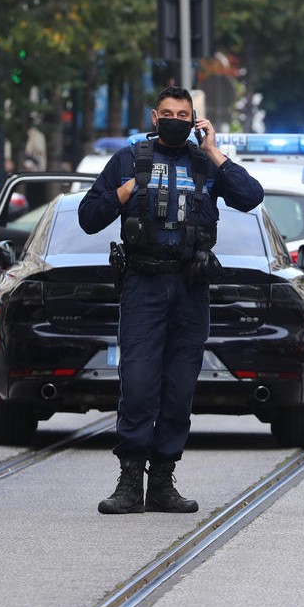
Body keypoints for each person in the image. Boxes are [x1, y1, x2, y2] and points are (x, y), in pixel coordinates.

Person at [78, 86, 264, 515]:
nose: (175, 118)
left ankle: (162, 481)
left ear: (195, 118)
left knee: (180, 388)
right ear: (154, 117)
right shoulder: (128, 159)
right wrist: (122, 194)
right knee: (139, 385)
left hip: (190, 286)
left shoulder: (205, 163)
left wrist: (215, 151)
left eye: (184, 113)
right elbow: (88, 218)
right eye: (168, 112)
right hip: (143, 284)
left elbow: (250, 196)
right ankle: (130, 481)